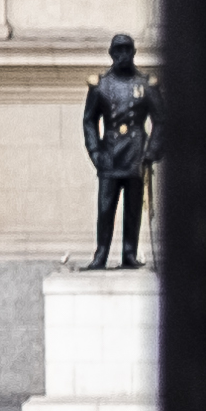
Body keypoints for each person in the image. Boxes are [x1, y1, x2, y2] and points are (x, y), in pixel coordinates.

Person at [82, 36, 159, 268]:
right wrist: (95, 152)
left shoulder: (146, 85)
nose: (122, 55)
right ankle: (101, 254)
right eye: (118, 50)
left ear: (133, 52)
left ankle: (129, 254)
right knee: (105, 208)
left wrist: (151, 151)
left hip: (136, 155)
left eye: (126, 50)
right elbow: (89, 120)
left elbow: (161, 120)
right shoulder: (101, 85)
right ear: (111, 53)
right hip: (109, 154)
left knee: (133, 209)